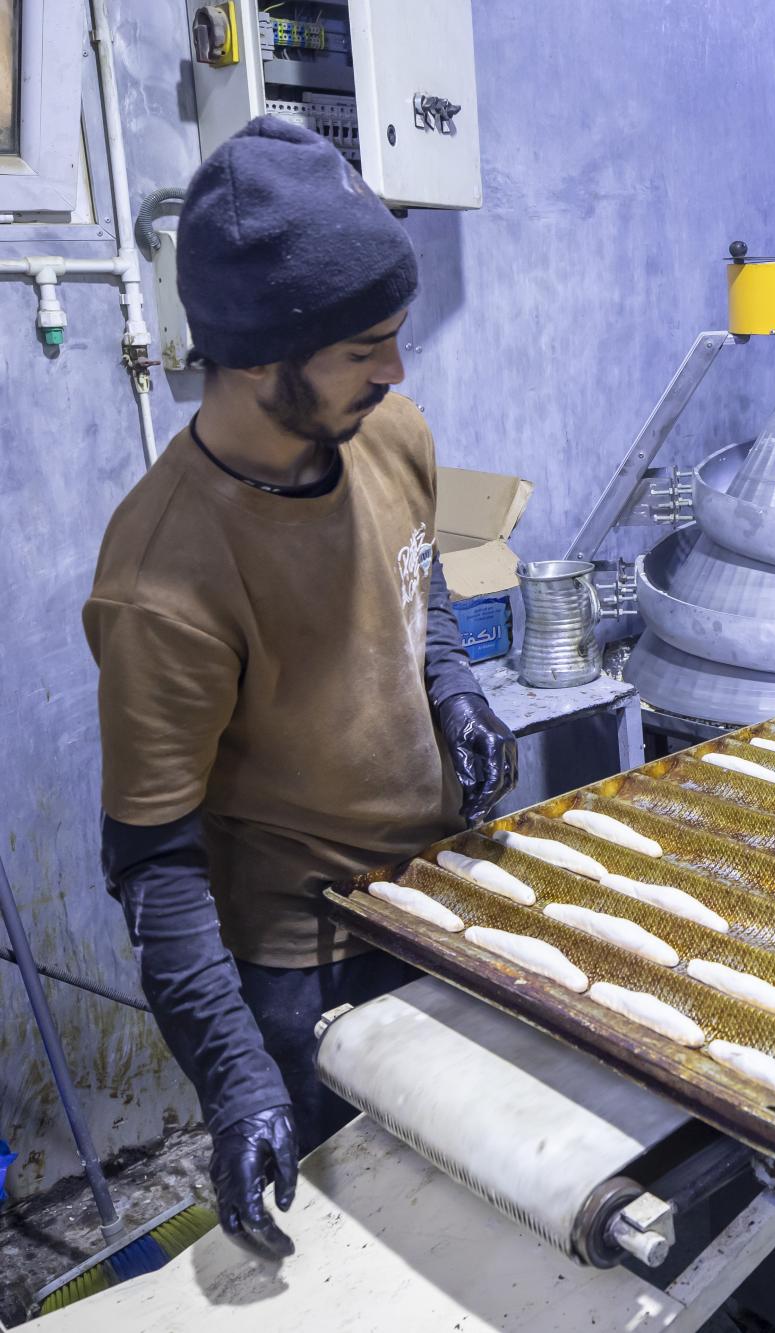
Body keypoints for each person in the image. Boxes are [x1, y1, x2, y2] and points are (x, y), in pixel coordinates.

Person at [83, 118, 518, 1257]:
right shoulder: (163, 580)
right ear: (256, 358)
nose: (397, 371)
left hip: (436, 901)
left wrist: (457, 694)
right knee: (358, 1247)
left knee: (482, 1215)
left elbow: (423, 592)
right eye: (365, 347)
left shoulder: (393, 433)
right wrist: (236, 1078)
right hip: (302, 961)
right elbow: (155, 864)